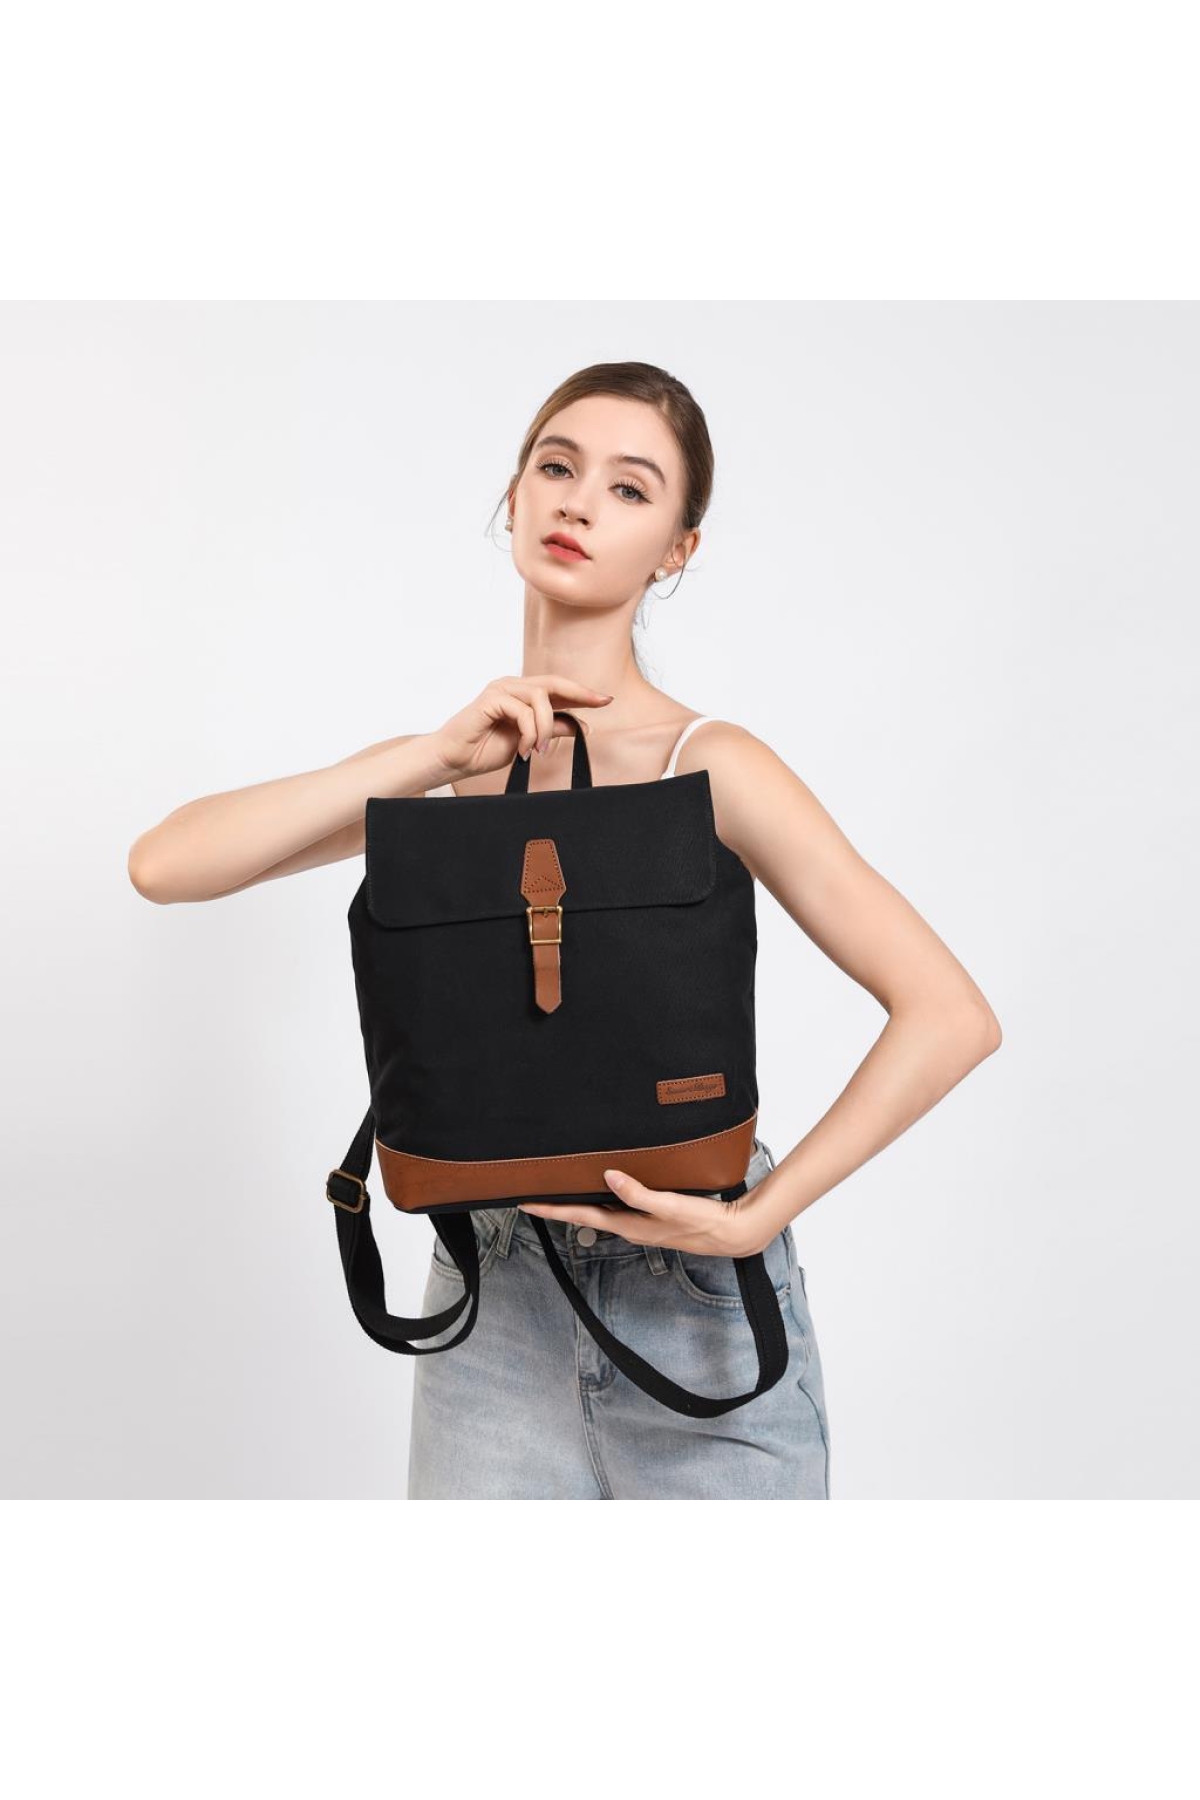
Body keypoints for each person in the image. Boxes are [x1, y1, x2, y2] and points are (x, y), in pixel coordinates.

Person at [128, 359, 1002, 1500]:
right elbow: (164, 865)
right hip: (492, 1307)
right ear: (514, 496)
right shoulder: (454, 766)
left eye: (630, 488)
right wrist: (430, 757)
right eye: (556, 467)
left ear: (677, 549)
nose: (580, 502)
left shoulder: (710, 766)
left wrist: (761, 1217)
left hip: (696, 1304)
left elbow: (949, 1014)